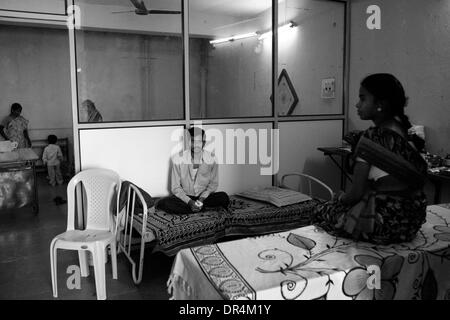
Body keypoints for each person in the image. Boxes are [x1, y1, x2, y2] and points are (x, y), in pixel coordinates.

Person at [312, 73, 428, 244]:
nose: (357, 104)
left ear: (380, 104)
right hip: (411, 222)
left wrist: (340, 198)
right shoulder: (407, 134)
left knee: (320, 210)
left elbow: (356, 193)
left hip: (385, 223)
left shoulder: (372, 138)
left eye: (362, 98)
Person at [157, 127, 230, 215]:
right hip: (186, 197)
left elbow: (213, 184)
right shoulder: (178, 159)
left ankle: (197, 208)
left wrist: (201, 198)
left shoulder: (212, 158)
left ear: (204, 143)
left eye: (199, 142)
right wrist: (190, 202)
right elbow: (175, 187)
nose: (196, 145)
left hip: (204, 197)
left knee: (223, 197)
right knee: (165, 203)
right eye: (192, 141)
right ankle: (199, 209)